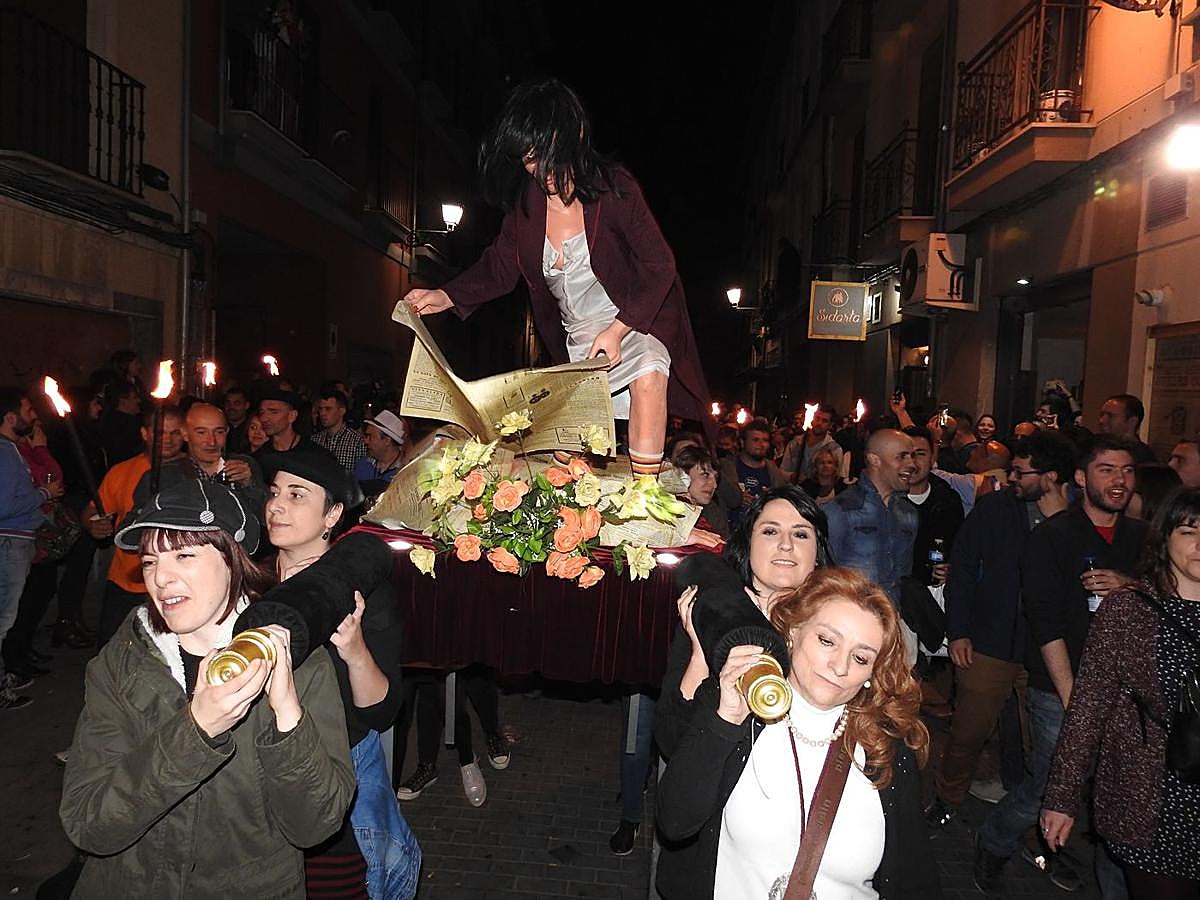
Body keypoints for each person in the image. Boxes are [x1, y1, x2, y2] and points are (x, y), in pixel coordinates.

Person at [59, 480, 356, 897]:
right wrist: (195, 730)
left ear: (233, 560)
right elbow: (88, 824)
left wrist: (287, 713)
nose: (161, 577)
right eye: (149, 561)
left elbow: (315, 826)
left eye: (184, 555)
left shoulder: (299, 661)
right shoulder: (122, 660)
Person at [404, 79, 711, 477]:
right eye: (530, 159)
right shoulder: (526, 207)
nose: (541, 170)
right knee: (567, 460)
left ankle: (645, 493)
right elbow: (500, 265)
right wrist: (446, 295)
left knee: (650, 368)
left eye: (548, 153)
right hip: (577, 337)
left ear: (576, 136)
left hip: (634, 322)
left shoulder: (614, 189)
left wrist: (618, 330)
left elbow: (660, 266)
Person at [656, 566, 941, 899]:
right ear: (793, 631)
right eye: (827, 641)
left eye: (860, 657)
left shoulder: (886, 749)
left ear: (871, 673)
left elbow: (914, 877)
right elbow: (674, 823)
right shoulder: (739, 712)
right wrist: (726, 718)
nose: (840, 666)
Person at [974, 435, 1147, 896]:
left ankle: (1078, 859)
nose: (1119, 480)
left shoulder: (1141, 536)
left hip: (1127, 690)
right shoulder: (1053, 536)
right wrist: (1074, 699)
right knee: (1049, 787)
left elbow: (1164, 600)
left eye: (1127, 471)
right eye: (1107, 469)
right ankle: (993, 842)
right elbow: (1044, 622)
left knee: (1114, 792)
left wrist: (1128, 585)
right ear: (1080, 477)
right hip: (1061, 689)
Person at [261, 450, 420, 900]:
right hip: (257, 766)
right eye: (274, 492)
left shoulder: (361, 590)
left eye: (296, 495)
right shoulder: (246, 575)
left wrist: (352, 649)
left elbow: (382, 711)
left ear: (332, 514)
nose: (276, 505)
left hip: (337, 765)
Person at [654, 487, 834, 877]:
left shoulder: (834, 628)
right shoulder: (717, 612)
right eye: (770, 531)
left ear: (817, 553)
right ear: (747, 545)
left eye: (801, 533)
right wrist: (702, 655)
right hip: (718, 836)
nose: (785, 544)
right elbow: (671, 740)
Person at [1042, 488, 1200, 899]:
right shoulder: (1130, 610)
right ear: (1165, 538)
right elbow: (1089, 708)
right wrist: (1062, 798)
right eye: (1189, 531)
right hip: (1153, 795)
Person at [924, 431, 1074, 833]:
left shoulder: (1075, 521)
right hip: (988, 642)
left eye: (1021, 472)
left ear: (1051, 476)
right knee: (968, 732)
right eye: (1012, 469)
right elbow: (964, 567)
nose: (1011, 478)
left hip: (1045, 651)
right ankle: (946, 799)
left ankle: (1029, 817)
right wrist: (958, 631)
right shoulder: (995, 509)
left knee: (1039, 743)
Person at [83, 406, 186, 648]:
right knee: (111, 651)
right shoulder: (122, 471)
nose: (168, 440)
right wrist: (93, 525)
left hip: (174, 584)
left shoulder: (193, 472)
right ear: (145, 433)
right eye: (161, 432)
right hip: (125, 581)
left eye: (175, 433)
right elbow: (92, 511)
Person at [0, 388, 63, 709]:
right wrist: (43, 493)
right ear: (11, 418)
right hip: (10, 542)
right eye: (26, 409)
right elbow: (5, 504)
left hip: (14, 541)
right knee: (4, 619)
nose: (31, 415)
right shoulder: (6, 452)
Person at [824, 428, 919, 609]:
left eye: (913, 456)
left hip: (893, 622)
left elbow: (905, 577)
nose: (912, 464)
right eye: (902, 457)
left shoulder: (909, 514)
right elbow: (821, 575)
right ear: (874, 460)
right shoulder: (841, 510)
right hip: (847, 620)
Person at [133, 402, 267, 514]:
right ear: (185, 434)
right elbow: (135, 528)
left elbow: (267, 516)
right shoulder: (164, 476)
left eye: (219, 432)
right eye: (201, 432)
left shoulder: (244, 466)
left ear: (227, 432)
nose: (211, 442)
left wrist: (250, 485)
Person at [717, 417, 788, 531]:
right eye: (755, 440)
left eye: (765, 440)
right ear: (742, 442)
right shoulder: (728, 466)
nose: (761, 444)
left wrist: (772, 498)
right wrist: (736, 497)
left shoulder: (773, 470)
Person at [672, 443, 729, 542]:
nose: (714, 485)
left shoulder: (713, 513)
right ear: (683, 475)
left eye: (715, 478)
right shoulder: (663, 512)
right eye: (705, 475)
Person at [781, 405, 843, 482]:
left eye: (824, 421)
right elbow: (782, 471)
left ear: (830, 425)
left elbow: (837, 477)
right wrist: (792, 476)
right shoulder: (795, 443)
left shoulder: (834, 449)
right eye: (817, 418)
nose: (819, 423)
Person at [355, 410, 407, 498]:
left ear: (387, 440)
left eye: (370, 436)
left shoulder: (405, 470)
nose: (365, 441)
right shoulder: (363, 465)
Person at [313, 389, 367, 474]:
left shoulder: (357, 441)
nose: (322, 413)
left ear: (342, 411)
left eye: (328, 409)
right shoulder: (315, 440)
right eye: (320, 409)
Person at [255, 387, 320, 457]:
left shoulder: (313, 453)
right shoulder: (260, 456)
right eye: (261, 412)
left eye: (273, 412)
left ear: (292, 416)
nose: (264, 418)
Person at [1097, 394, 1156, 464]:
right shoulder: (1095, 448)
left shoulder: (1143, 457)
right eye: (1102, 415)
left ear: (1132, 422)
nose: (1102, 420)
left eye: (1110, 416)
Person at [223, 386, 252, 455]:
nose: (231, 407)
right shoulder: (220, 427)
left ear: (246, 405)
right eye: (228, 403)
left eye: (237, 403)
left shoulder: (252, 429)